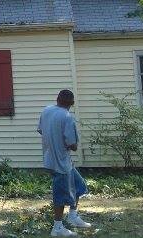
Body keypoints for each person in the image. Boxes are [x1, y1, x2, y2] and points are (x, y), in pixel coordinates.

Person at [37, 89, 92, 237]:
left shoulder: (46, 110)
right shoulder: (67, 117)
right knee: (60, 196)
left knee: (79, 185)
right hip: (59, 163)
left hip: (53, 158)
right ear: (72, 103)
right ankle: (57, 228)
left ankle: (73, 216)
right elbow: (73, 145)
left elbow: (41, 130)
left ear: (57, 99)